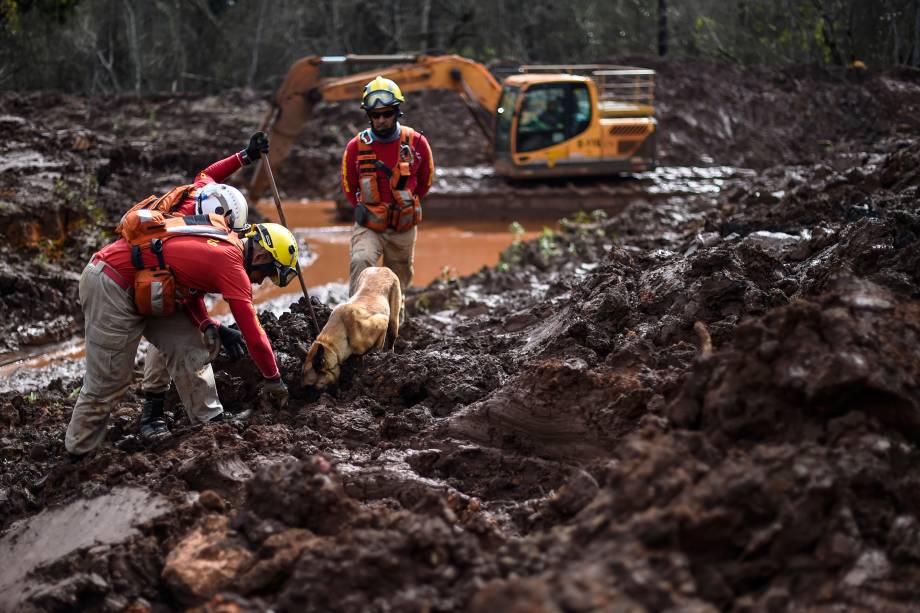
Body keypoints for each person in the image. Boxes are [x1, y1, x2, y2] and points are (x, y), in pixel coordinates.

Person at [64, 169, 296, 457]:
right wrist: (273, 379)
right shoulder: (231, 263)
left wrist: (208, 324)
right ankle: (78, 455)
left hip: (150, 289)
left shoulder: (222, 238)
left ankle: (210, 424)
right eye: (267, 274)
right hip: (111, 283)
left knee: (190, 345)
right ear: (262, 256)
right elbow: (253, 333)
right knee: (109, 380)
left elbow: (187, 287)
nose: (260, 282)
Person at [138, 138, 261, 441]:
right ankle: (154, 412)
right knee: (178, 330)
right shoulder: (192, 227)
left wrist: (245, 156)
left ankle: (154, 411)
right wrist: (209, 324)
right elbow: (190, 294)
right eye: (229, 227)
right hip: (149, 279)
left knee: (174, 328)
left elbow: (209, 172)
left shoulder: (203, 193)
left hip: (161, 278)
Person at [341, 76, 434, 321]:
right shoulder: (355, 147)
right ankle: (356, 319)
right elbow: (349, 185)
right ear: (369, 115)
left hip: (403, 225)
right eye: (375, 115)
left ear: (397, 112)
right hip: (369, 223)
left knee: (398, 280)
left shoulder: (417, 143)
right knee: (361, 260)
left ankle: (393, 330)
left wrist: (405, 206)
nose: (381, 120)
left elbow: (426, 181)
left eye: (387, 114)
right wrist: (366, 210)